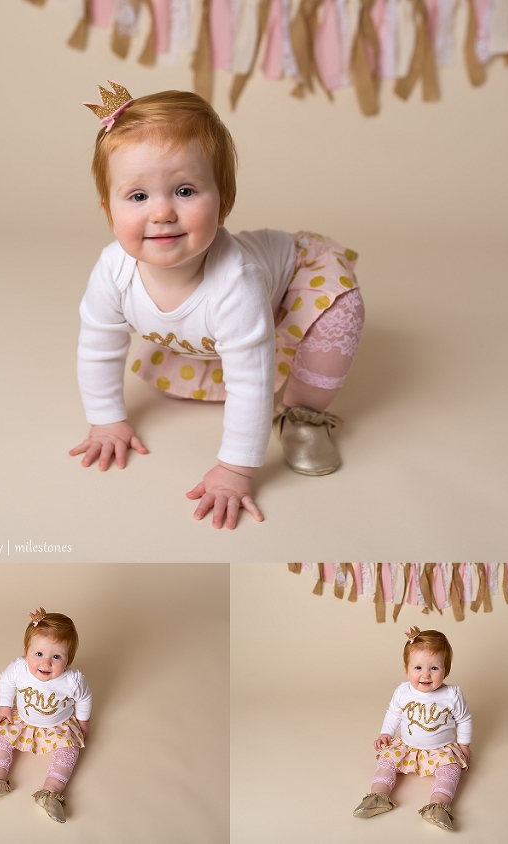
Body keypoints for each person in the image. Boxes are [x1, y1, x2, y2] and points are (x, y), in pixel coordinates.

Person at [70, 82, 365, 529]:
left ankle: (306, 414)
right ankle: (210, 359)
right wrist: (107, 421)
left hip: (300, 275)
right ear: (109, 213)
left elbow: (250, 380)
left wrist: (234, 470)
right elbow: (98, 346)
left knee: (336, 317)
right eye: (137, 196)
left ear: (223, 202)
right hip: (224, 320)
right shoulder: (113, 271)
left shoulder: (236, 283)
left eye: (185, 191)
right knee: (199, 343)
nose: (162, 212)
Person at [0, 608, 92, 824]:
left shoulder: (72, 680)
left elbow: (84, 698)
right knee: (2, 736)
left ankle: (51, 792)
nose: (46, 663)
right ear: (26, 651)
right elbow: (5, 681)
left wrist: (83, 721)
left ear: (68, 659)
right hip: (23, 721)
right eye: (39, 654)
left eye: (56, 657)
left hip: (58, 725)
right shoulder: (18, 669)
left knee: (70, 750)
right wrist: (5, 706)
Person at [353, 626, 472, 831]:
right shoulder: (403, 691)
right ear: (407, 668)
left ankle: (438, 805)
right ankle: (378, 795)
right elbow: (394, 714)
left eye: (434, 668)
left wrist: (464, 744)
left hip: (440, 749)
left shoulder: (452, 695)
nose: (425, 675)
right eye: (418, 668)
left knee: (451, 770)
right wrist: (386, 733)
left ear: (446, 670)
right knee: (386, 759)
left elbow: (464, 718)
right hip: (407, 747)